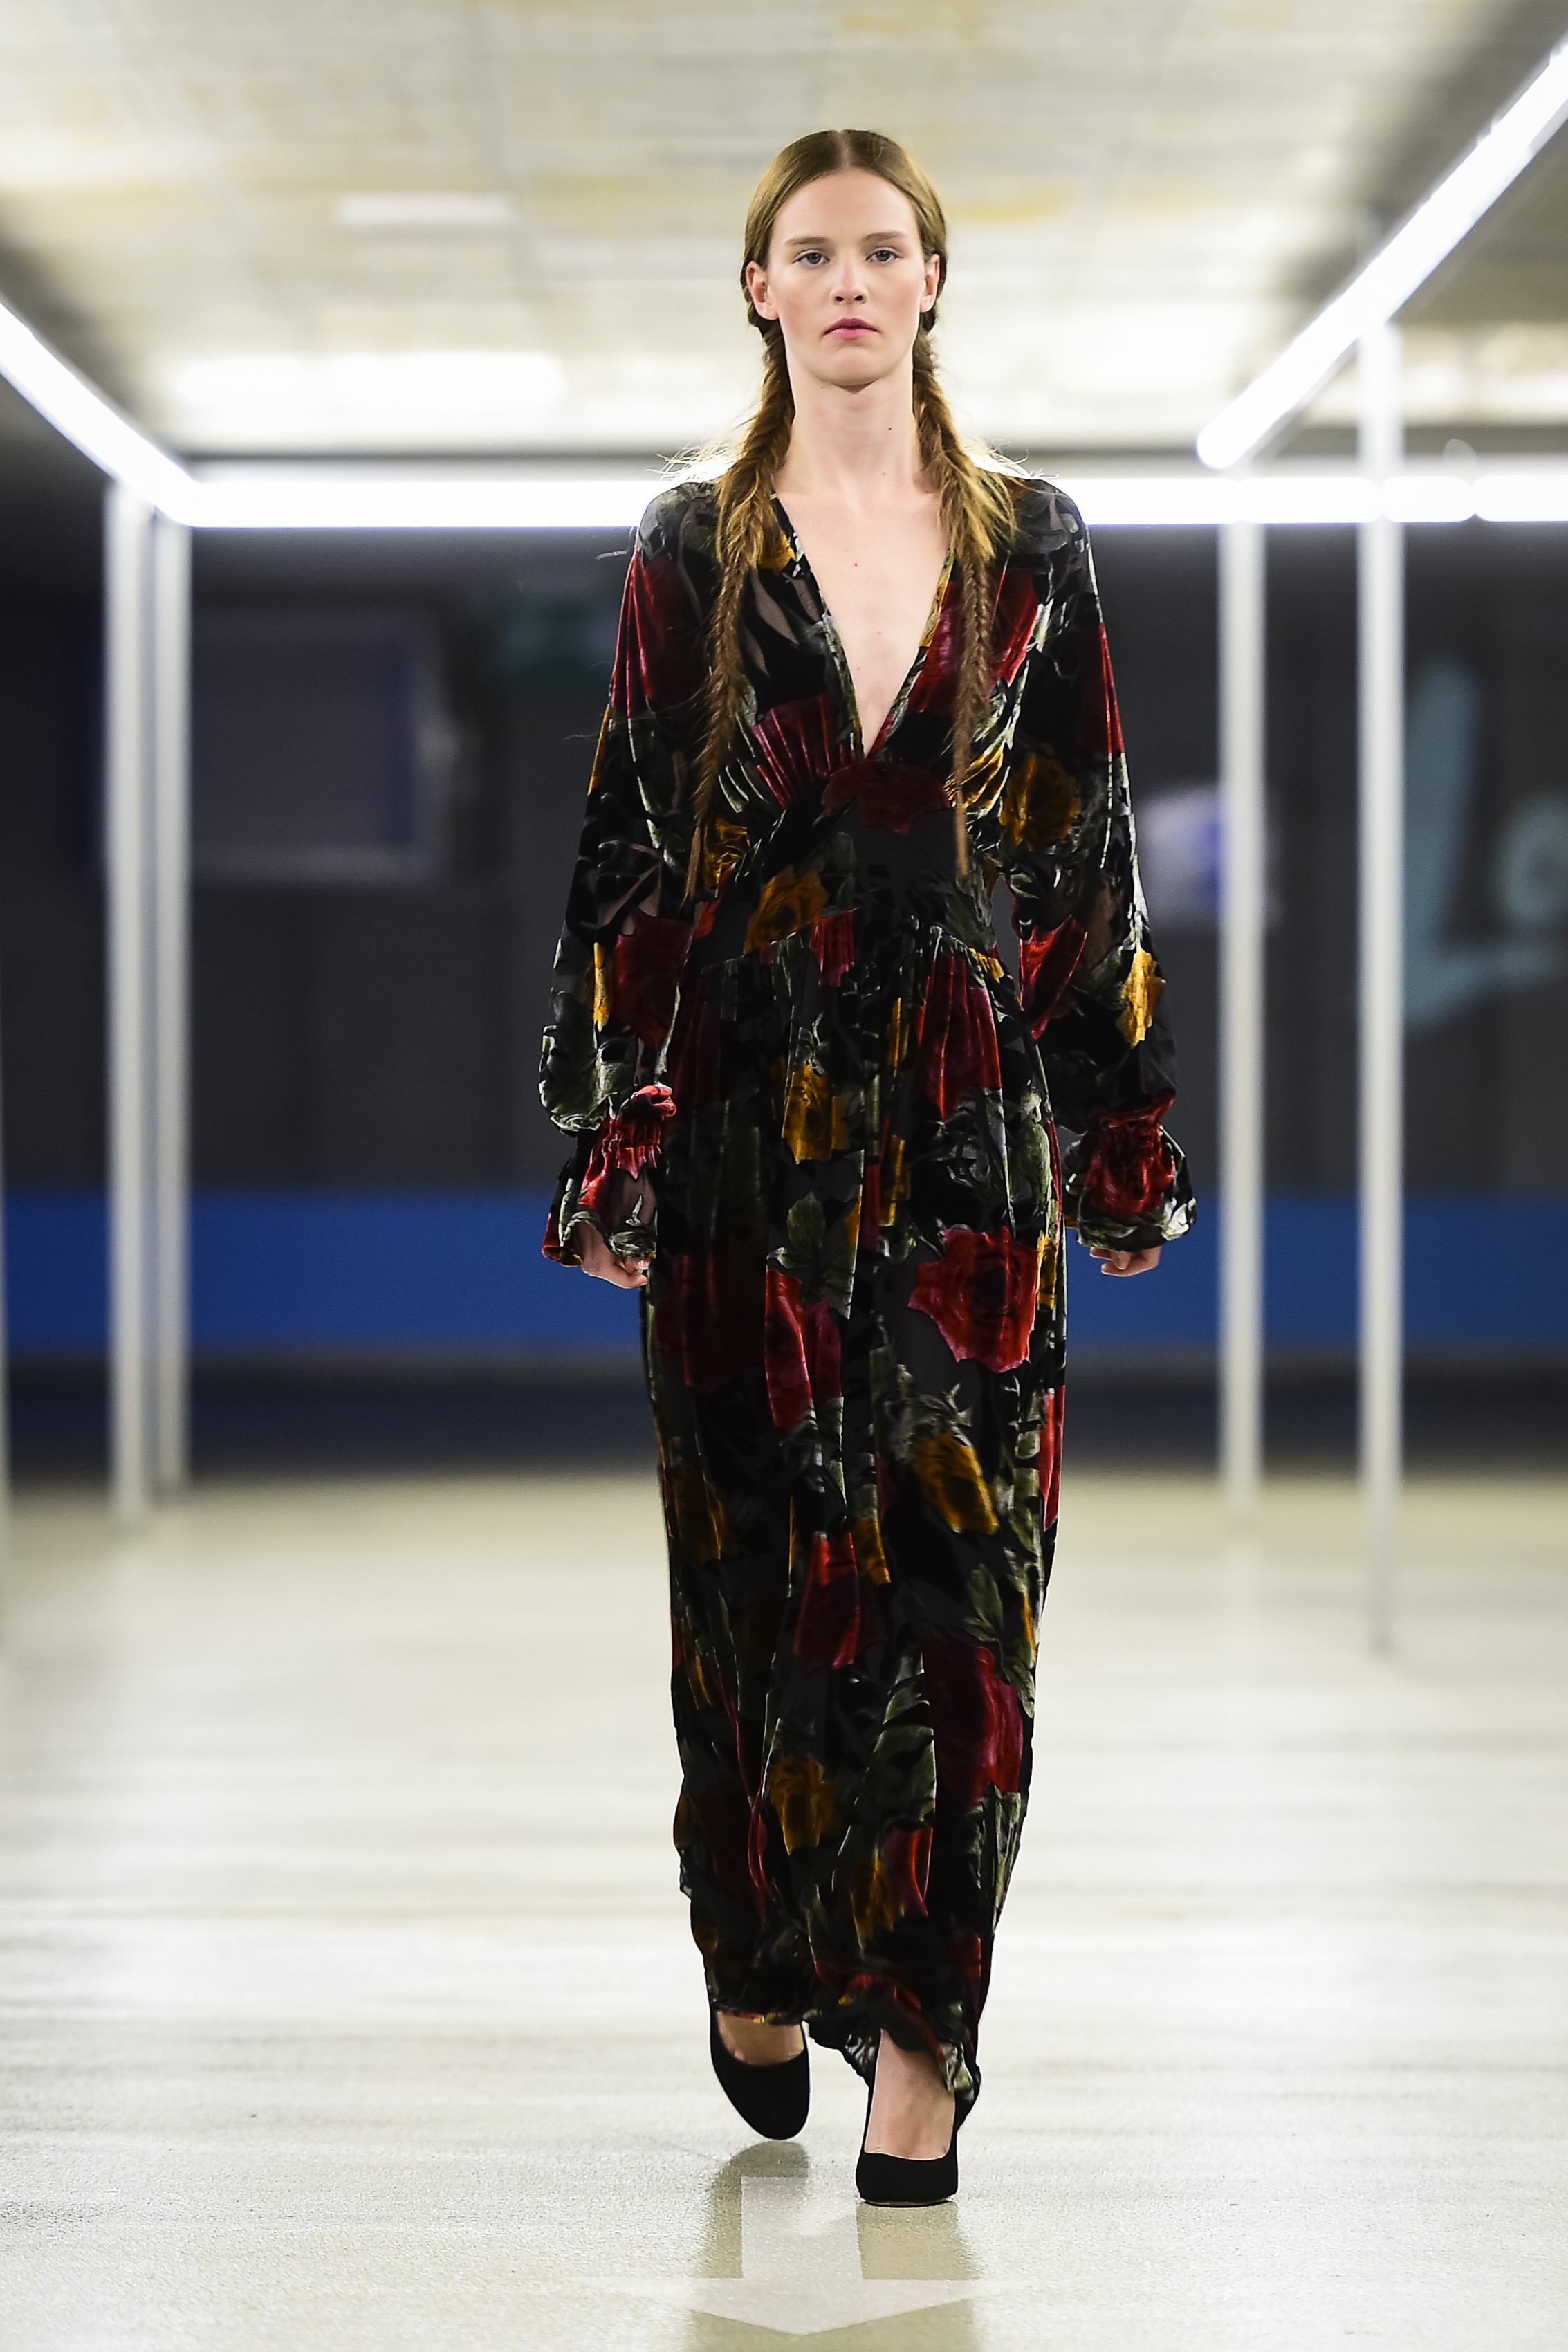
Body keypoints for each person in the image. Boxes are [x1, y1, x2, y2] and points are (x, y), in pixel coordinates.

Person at [540, 127, 1193, 2205]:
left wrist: (1120, 1125)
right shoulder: (693, 545)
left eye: (881, 250)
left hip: (969, 1133)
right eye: (810, 252)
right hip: (753, 1122)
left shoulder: (1034, 543)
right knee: (756, 1580)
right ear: (759, 290)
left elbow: (1083, 836)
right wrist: (617, 1131)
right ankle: (753, 1956)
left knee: (966, 1590)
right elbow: (635, 845)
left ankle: (924, 2045)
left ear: (931, 284)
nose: (847, 282)